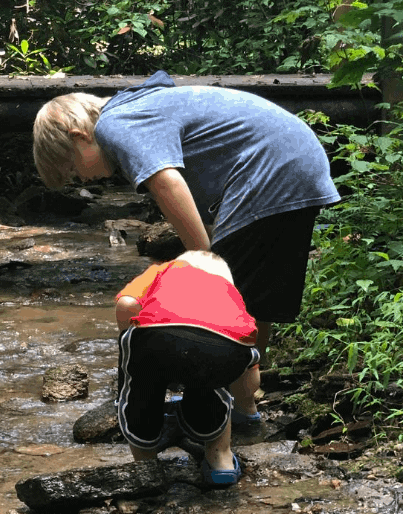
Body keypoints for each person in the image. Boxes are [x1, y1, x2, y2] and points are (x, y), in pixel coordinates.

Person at [32, 70, 339, 426]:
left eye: (72, 168)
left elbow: (167, 182)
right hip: (297, 163)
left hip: (270, 170)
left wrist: (203, 260)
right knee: (251, 302)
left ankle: (219, 411)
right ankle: (243, 406)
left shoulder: (114, 124)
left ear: (79, 136)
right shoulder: (142, 107)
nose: (82, 180)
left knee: (219, 302)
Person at [114, 250, 259, 485]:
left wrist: (129, 341)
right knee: (214, 383)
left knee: (141, 384)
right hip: (226, 346)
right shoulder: (229, 292)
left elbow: (127, 302)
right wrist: (248, 410)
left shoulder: (165, 269)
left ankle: (146, 464)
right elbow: (247, 368)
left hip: (158, 339)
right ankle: (220, 460)